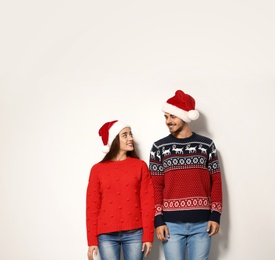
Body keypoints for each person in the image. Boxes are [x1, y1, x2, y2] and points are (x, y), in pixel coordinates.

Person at [149, 90, 223, 260]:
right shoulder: (159, 148)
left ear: (184, 116)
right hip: (171, 224)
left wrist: (216, 215)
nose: (168, 121)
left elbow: (216, 181)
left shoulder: (206, 145)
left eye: (172, 116)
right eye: (166, 117)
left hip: (202, 224)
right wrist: (158, 219)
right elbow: (155, 186)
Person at [86, 120, 155, 260]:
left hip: (135, 233)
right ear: (114, 140)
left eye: (130, 134)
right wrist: (92, 240)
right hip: (106, 235)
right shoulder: (97, 169)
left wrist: (148, 235)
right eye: (125, 135)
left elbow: (148, 202)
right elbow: (92, 206)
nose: (130, 138)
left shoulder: (140, 166)